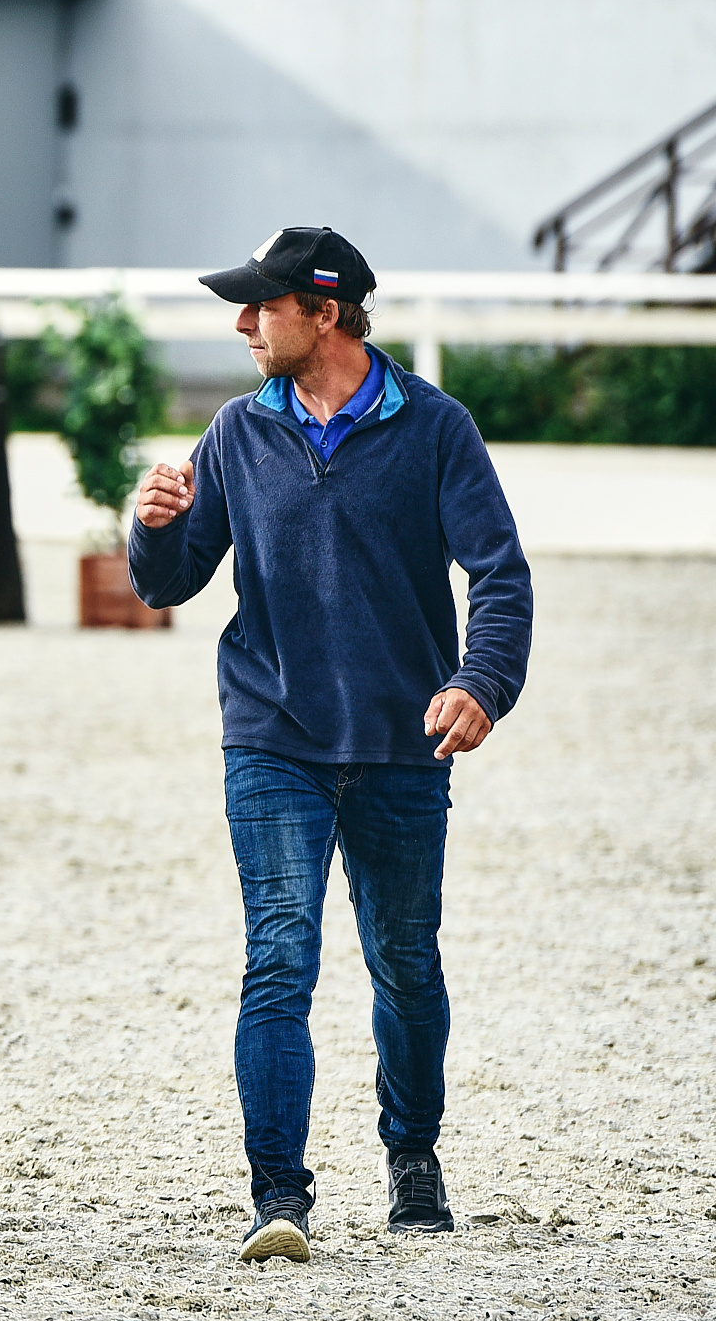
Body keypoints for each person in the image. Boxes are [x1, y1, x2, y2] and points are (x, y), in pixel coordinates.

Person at [129, 227, 532, 1264]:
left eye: (258, 303)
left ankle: (413, 1159)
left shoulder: (435, 427)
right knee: (278, 953)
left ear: (322, 309)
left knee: (405, 963)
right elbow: (168, 580)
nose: (239, 321)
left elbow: (500, 575)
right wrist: (154, 525)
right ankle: (279, 1193)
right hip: (272, 736)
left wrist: (478, 683)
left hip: (405, 742)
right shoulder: (234, 432)